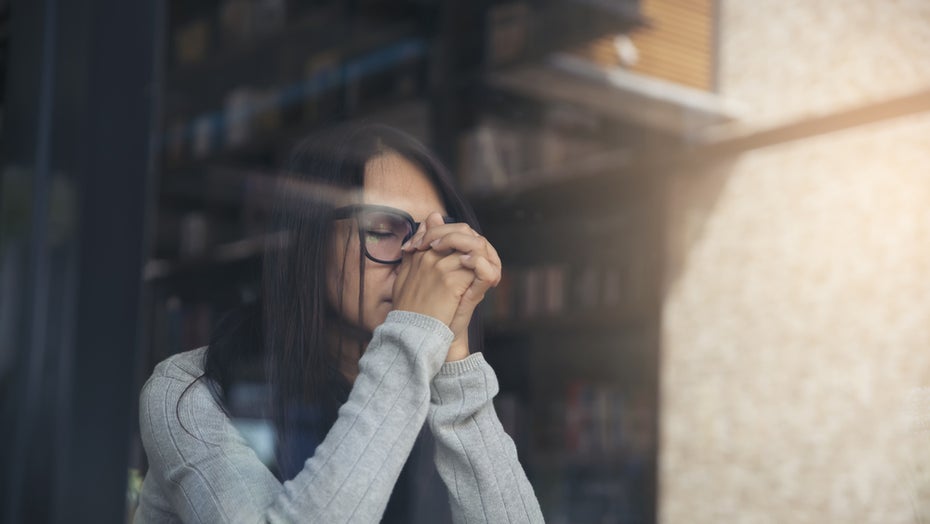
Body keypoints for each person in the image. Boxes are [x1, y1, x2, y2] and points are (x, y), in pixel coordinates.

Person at [134, 124, 544, 523]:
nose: (419, 261)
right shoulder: (188, 392)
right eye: (383, 230)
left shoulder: (428, 390)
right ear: (308, 243)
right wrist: (414, 330)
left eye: (434, 237)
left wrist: (455, 361)